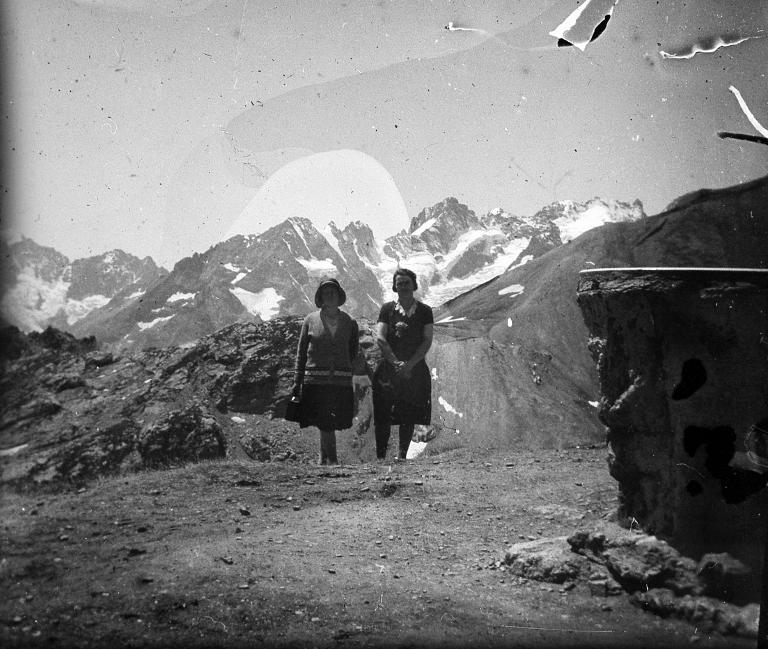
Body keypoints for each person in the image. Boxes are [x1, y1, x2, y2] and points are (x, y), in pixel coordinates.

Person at [292, 278, 359, 465]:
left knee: (328, 422)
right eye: (325, 293)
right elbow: (301, 352)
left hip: (341, 381)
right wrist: (297, 380)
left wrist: (344, 366)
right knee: (325, 421)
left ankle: (323, 460)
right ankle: (333, 461)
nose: (329, 296)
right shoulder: (310, 320)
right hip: (315, 380)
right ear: (320, 297)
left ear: (339, 296)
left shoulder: (349, 322)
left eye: (333, 292)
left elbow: (353, 350)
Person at [373, 268, 433, 460]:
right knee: (383, 413)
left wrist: (409, 365)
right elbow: (380, 338)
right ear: (394, 286)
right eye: (400, 283)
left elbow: (427, 341)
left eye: (407, 282)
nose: (403, 286)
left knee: (408, 413)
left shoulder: (425, 311)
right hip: (389, 369)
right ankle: (381, 457)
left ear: (414, 285)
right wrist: (396, 362)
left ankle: (401, 456)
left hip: (414, 370)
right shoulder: (387, 309)